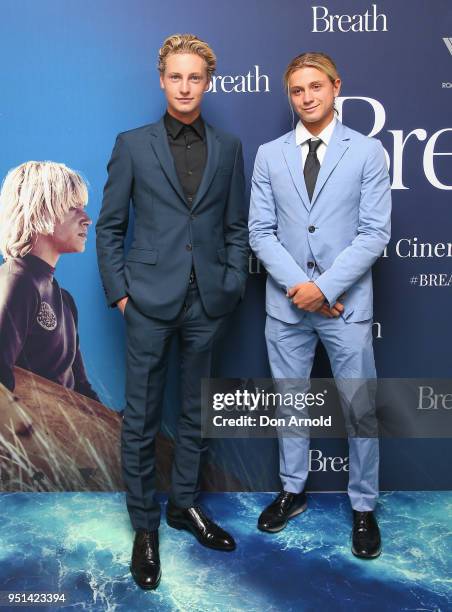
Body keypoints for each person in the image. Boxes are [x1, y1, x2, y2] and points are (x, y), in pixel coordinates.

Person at [96, 34, 248, 589]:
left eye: (195, 78)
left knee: (196, 413)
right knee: (139, 418)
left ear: (207, 83)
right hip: (149, 303)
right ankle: (144, 525)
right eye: (176, 77)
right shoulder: (133, 144)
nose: (186, 87)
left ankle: (184, 506)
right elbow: (110, 226)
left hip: (208, 302)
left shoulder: (229, 148)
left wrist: (231, 284)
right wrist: (121, 294)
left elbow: (236, 227)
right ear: (161, 80)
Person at [249, 52, 391, 559]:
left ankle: (364, 508)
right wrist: (301, 289)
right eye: (296, 90)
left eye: (315, 87)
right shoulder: (270, 155)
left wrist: (326, 289)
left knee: (360, 408)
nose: (307, 97)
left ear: (336, 87)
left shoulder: (368, 152)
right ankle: (292, 492)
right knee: (290, 403)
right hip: (287, 307)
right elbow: (260, 233)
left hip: (346, 306)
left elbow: (374, 233)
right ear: (289, 96)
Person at [0, 161, 99, 402]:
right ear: (40, 211)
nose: (87, 219)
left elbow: (82, 393)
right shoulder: (16, 280)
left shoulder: (66, 302)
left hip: (60, 437)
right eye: (73, 208)